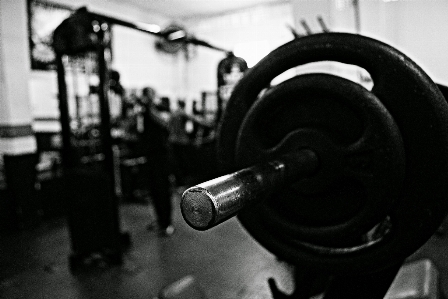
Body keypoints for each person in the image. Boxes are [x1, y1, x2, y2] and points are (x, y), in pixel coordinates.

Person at [139, 86, 174, 236]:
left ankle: (167, 223)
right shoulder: (144, 112)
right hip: (150, 155)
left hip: (162, 156)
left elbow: (165, 123)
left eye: (149, 95)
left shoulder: (161, 109)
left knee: (163, 189)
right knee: (153, 189)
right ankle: (159, 220)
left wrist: (149, 107)